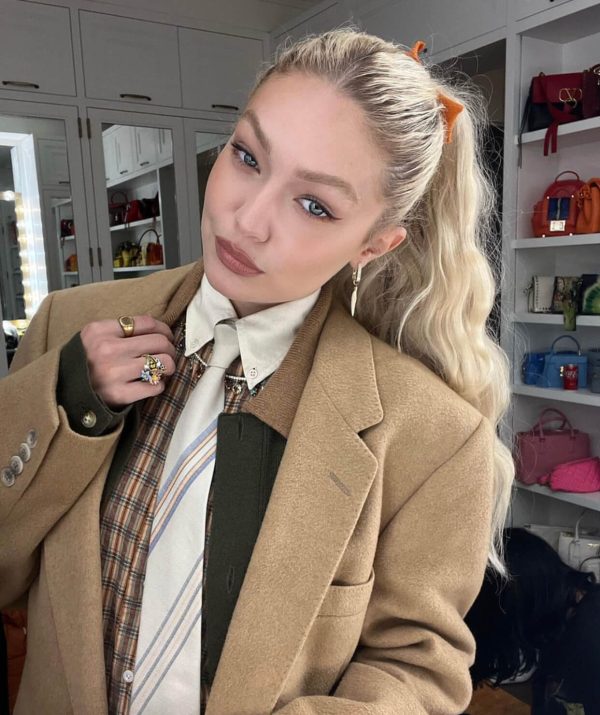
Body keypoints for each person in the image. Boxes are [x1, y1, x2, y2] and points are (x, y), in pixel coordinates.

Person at [0, 28, 514, 714]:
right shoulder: (66, 327)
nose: (247, 218)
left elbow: (418, 665)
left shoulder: (438, 438)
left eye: (315, 205)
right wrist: (69, 402)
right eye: (247, 157)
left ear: (374, 244)